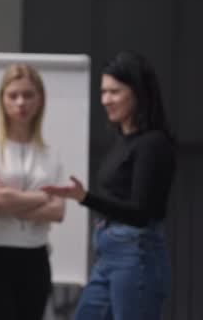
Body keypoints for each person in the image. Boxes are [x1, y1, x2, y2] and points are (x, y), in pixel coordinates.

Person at [42, 51, 175, 320]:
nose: (106, 100)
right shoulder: (122, 141)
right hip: (108, 252)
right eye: (103, 92)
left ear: (137, 92)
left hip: (136, 252)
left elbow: (141, 212)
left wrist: (85, 197)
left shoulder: (152, 143)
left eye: (115, 92)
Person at [0, 63, 66, 320]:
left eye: (28, 95)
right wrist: (42, 196)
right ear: (2, 99)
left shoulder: (50, 152)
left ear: (40, 99)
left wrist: (13, 200)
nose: (21, 102)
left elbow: (58, 211)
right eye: (13, 95)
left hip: (35, 257)